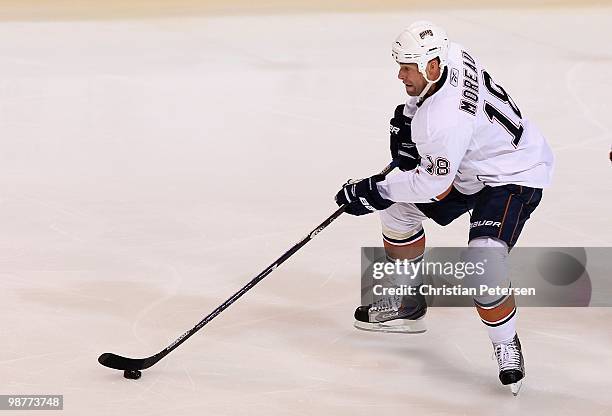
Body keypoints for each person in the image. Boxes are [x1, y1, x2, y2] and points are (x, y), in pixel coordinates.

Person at [334, 20, 554, 395]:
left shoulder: (442, 121)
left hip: (514, 171)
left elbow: (434, 185)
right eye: (401, 64)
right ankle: (408, 303)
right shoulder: (449, 53)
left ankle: (505, 343)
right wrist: (407, 118)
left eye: (407, 67)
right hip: (471, 159)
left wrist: (374, 190)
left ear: (431, 67)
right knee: (399, 213)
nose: (400, 74)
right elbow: (428, 120)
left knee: (483, 262)